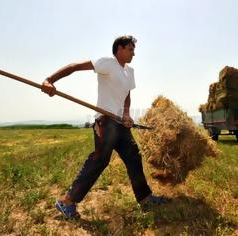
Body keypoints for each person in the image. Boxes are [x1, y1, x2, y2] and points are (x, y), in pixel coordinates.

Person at [41, 35, 167, 220]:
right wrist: (49, 79)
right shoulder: (107, 63)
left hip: (120, 123)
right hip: (106, 121)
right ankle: (67, 202)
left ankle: (145, 199)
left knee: (133, 156)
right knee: (99, 160)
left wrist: (126, 114)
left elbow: (127, 95)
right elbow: (75, 66)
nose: (134, 53)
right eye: (131, 49)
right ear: (120, 49)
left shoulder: (129, 71)